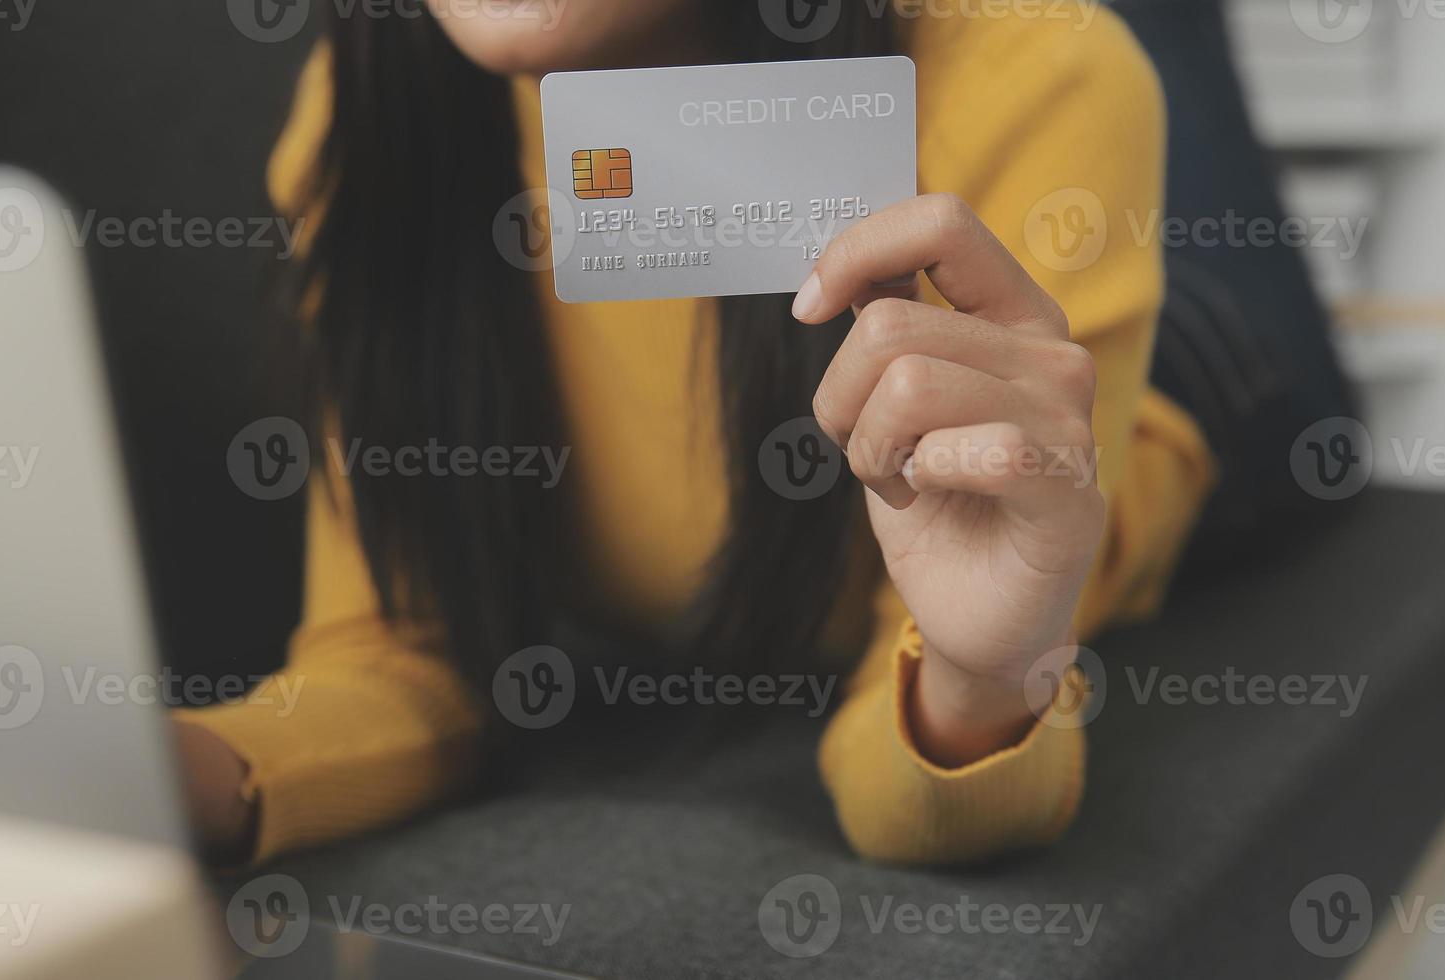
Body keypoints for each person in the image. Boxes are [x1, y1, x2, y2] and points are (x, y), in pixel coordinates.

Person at [174, 1, 1214, 868]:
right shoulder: (368, 110)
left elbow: (923, 765)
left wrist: (982, 678)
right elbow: (394, 648)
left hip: (1209, 377)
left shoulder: (1046, 75)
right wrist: (180, 772)